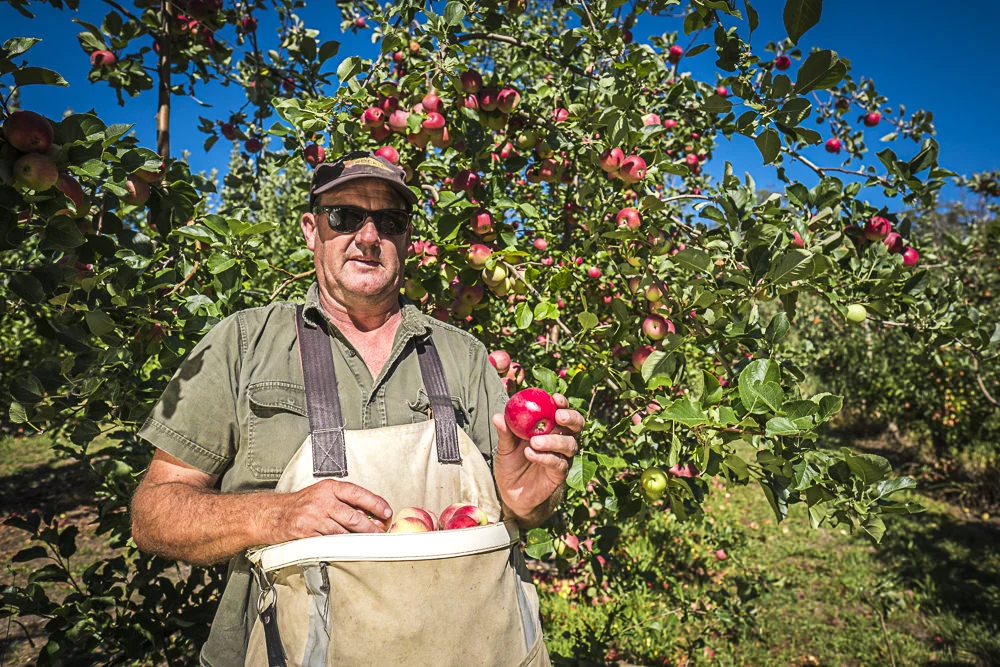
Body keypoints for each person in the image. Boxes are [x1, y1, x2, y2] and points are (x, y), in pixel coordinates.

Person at [130, 151, 584, 666]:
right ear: (312, 230)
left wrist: (528, 501)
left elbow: (516, 511)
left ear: (406, 239)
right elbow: (154, 514)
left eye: (389, 222)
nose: (368, 237)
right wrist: (276, 514)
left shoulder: (463, 356)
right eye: (345, 216)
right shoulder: (243, 344)